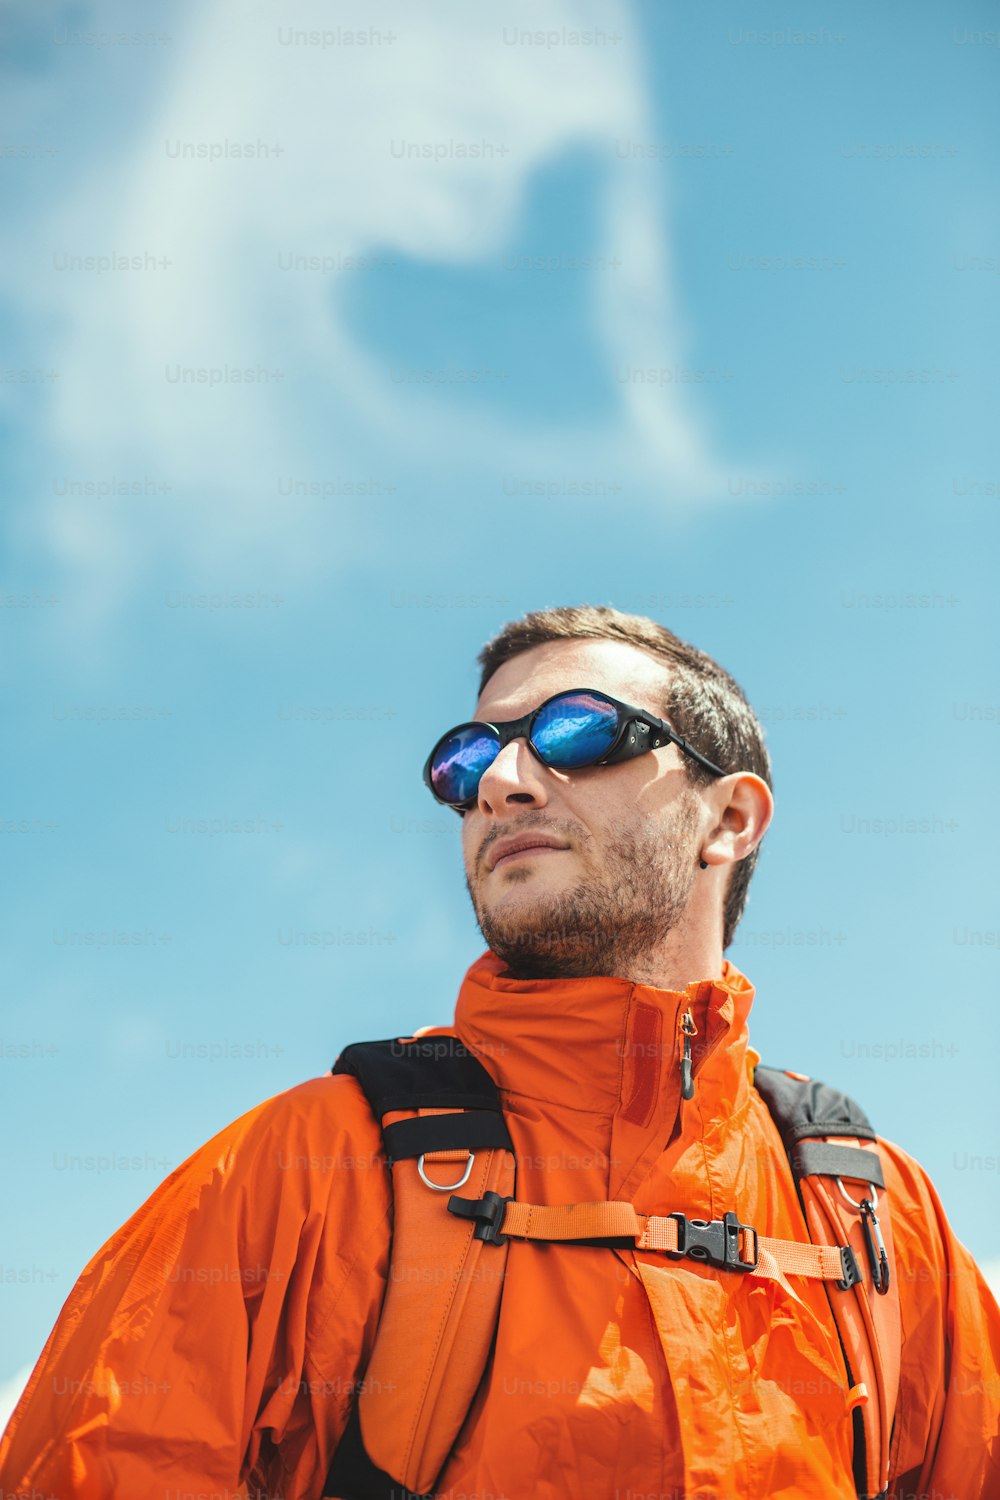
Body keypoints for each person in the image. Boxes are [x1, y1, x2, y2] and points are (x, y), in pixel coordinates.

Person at [1, 603, 997, 1499]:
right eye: (465, 763)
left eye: (578, 731)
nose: (503, 784)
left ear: (728, 819)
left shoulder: (872, 1212)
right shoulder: (300, 1169)